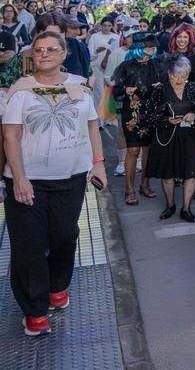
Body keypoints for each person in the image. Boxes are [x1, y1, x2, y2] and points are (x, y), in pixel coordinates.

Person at [2, 31, 107, 337]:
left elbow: (92, 126)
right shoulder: (20, 91)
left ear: (64, 54)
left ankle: (58, 286)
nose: (44, 54)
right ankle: (34, 311)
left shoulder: (79, 87)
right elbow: (11, 136)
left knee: (65, 236)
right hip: (28, 181)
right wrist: (19, 178)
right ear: (32, 56)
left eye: (51, 49)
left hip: (71, 179)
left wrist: (98, 164)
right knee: (29, 246)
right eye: (38, 50)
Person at [144, 56, 195, 223]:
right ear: (169, 74)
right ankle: (170, 205)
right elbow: (149, 115)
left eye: (183, 76)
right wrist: (166, 120)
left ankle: (186, 209)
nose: (179, 79)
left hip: (190, 137)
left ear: (187, 76)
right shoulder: (160, 90)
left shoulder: (193, 89)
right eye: (175, 76)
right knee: (168, 174)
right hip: (167, 137)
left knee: (191, 172)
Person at [111, 32, 166, 205]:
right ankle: (129, 190)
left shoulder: (157, 65)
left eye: (153, 45)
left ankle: (145, 185)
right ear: (138, 47)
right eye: (148, 45)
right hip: (133, 111)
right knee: (133, 151)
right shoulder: (126, 66)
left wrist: (160, 87)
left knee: (149, 150)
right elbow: (115, 91)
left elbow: (167, 86)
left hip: (152, 111)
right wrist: (125, 91)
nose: (152, 48)